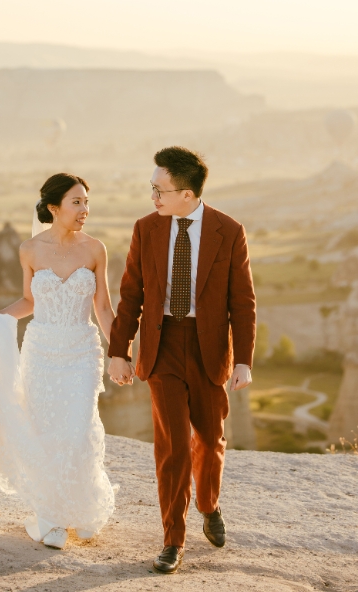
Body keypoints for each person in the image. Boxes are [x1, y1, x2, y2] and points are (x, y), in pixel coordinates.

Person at [0, 173, 117, 550]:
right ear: (53, 207)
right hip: (42, 353)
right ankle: (54, 515)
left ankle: (81, 507)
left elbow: (104, 308)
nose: (84, 210)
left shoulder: (96, 250)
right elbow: (30, 301)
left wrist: (122, 353)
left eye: (86, 202)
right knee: (45, 433)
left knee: (78, 432)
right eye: (76, 202)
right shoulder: (29, 250)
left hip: (81, 352)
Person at [107, 146, 256, 575]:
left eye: (160, 190)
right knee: (172, 446)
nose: (153, 197)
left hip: (209, 350)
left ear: (187, 194)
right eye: (152, 189)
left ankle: (209, 505)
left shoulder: (229, 232)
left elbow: (242, 302)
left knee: (209, 442)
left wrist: (243, 360)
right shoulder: (146, 229)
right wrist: (120, 351)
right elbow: (131, 295)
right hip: (163, 346)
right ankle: (173, 539)